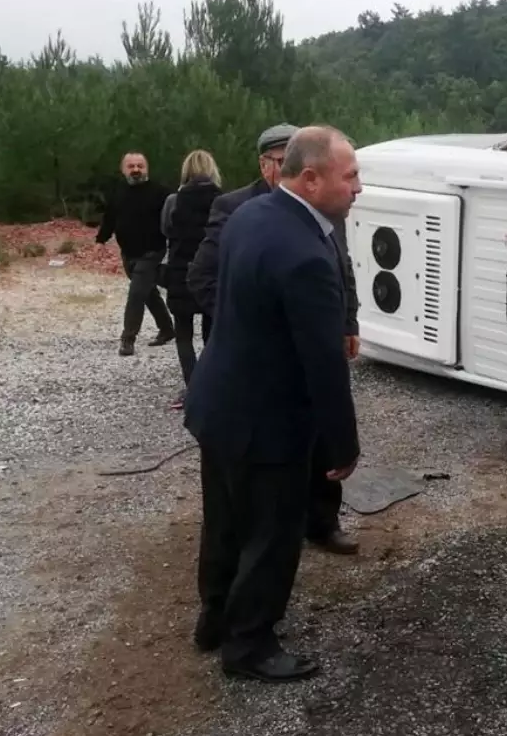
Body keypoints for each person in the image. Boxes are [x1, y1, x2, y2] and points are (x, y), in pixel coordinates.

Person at [183, 125, 364, 683]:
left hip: (219, 404)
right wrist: (343, 443)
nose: (360, 187)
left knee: (225, 522)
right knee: (271, 537)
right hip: (268, 423)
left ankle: (214, 619)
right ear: (309, 179)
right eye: (351, 175)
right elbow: (323, 362)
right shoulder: (306, 251)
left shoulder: (248, 215)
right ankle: (249, 646)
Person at [95, 152, 175, 356]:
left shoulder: (161, 193)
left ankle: (128, 339)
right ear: (123, 170)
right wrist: (100, 240)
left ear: (146, 168)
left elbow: (173, 219)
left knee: (137, 293)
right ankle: (167, 329)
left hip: (152, 251)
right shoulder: (117, 192)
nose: (136, 170)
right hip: (128, 253)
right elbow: (109, 218)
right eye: (131, 166)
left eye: (140, 166)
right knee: (148, 291)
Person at [160, 149, 222, 408]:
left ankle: (192, 388)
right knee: (212, 334)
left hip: (181, 271)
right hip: (212, 273)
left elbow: (165, 230)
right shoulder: (223, 201)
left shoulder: (174, 201)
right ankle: (212, 386)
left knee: (184, 335)